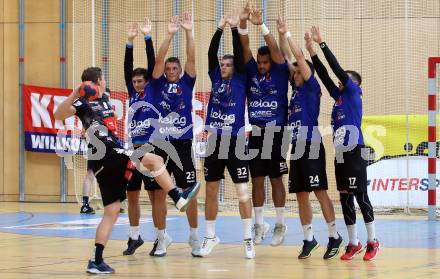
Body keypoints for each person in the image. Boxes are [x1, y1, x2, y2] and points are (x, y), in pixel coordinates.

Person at [54, 67, 200, 274]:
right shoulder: (81, 103)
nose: (105, 80)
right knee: (155, 160)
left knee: (111, 212)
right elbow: (57, 114)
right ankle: (178, 197)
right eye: (103, 77)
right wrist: (75, 92)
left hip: (108, 158)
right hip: (107, 153)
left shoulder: (105, 98)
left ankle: (96, 261)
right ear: (96, 81)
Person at [306, 26, 379, 261]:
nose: (339, 83)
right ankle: (353, 243)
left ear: (354, 85)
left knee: (360, 196)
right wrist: (311, 52)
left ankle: (372, 241)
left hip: (354, 150)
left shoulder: (353, 93)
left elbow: (335, 70)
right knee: (345, 197)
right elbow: (325, 76)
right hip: (340, 154)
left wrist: (322, 43)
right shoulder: (339, 99)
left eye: (344, 81)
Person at [277, 17, 343, 260]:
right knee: (301, 194)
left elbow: (299, 60)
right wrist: (281, 36)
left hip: (312, 145)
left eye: (298, 70)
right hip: (296, 147)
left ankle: (334, 235)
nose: (294, 72)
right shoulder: (294, 92)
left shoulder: (312, 87)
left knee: (320, 192)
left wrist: (291, 36)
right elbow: (287, 60)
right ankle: (308, 239)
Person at [199, 14, 255, 259]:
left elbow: (240, 56)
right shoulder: (214, 78)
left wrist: (234, 28)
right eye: (221, 64)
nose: (223, 67)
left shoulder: (242, 79)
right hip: (214, 141)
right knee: (210, 191)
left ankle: (248, 239)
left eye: (227, 64)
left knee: (243, 193)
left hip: (235, 142)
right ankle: (210, 237)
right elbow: (211, 53)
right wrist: (219, 27)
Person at [147, 12, 200, 257]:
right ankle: (161, 238)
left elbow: (191, 58)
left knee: (189, 190)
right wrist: (169, 34)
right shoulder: (156, 84)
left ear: (179, 71)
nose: (169, 70)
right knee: (158, 192)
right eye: (168, 68)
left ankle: (194, 236)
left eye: (173, 68)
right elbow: (157, 61)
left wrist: (189, 32)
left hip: (181, 143)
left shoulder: (187, 83)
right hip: (158, 143)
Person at [238, 4, 289, 246]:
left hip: (276, 133)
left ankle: (280, 224)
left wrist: (263, 26)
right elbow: (245, 46)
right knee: (257, 180)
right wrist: (244, 22)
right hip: (256, 133)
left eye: (265, 62)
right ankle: (259, 225)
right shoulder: (252, 72)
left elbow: (277, 52)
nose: (261, 65)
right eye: (259, 62)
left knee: (276, 179)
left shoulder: (280, 72)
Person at [122, 17, 161, 257]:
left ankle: (159, 237)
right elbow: (127, 68)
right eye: (134, 81)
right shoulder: (132, 94)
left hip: (151, 149)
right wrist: (129, 41)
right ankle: (134, 236)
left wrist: (147, 38)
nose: (136, 84)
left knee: (155, 195)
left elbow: (151, 63)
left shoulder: (153, 91)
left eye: (140, 81)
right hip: (133, 150)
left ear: (146, 82)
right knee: (131, 194)